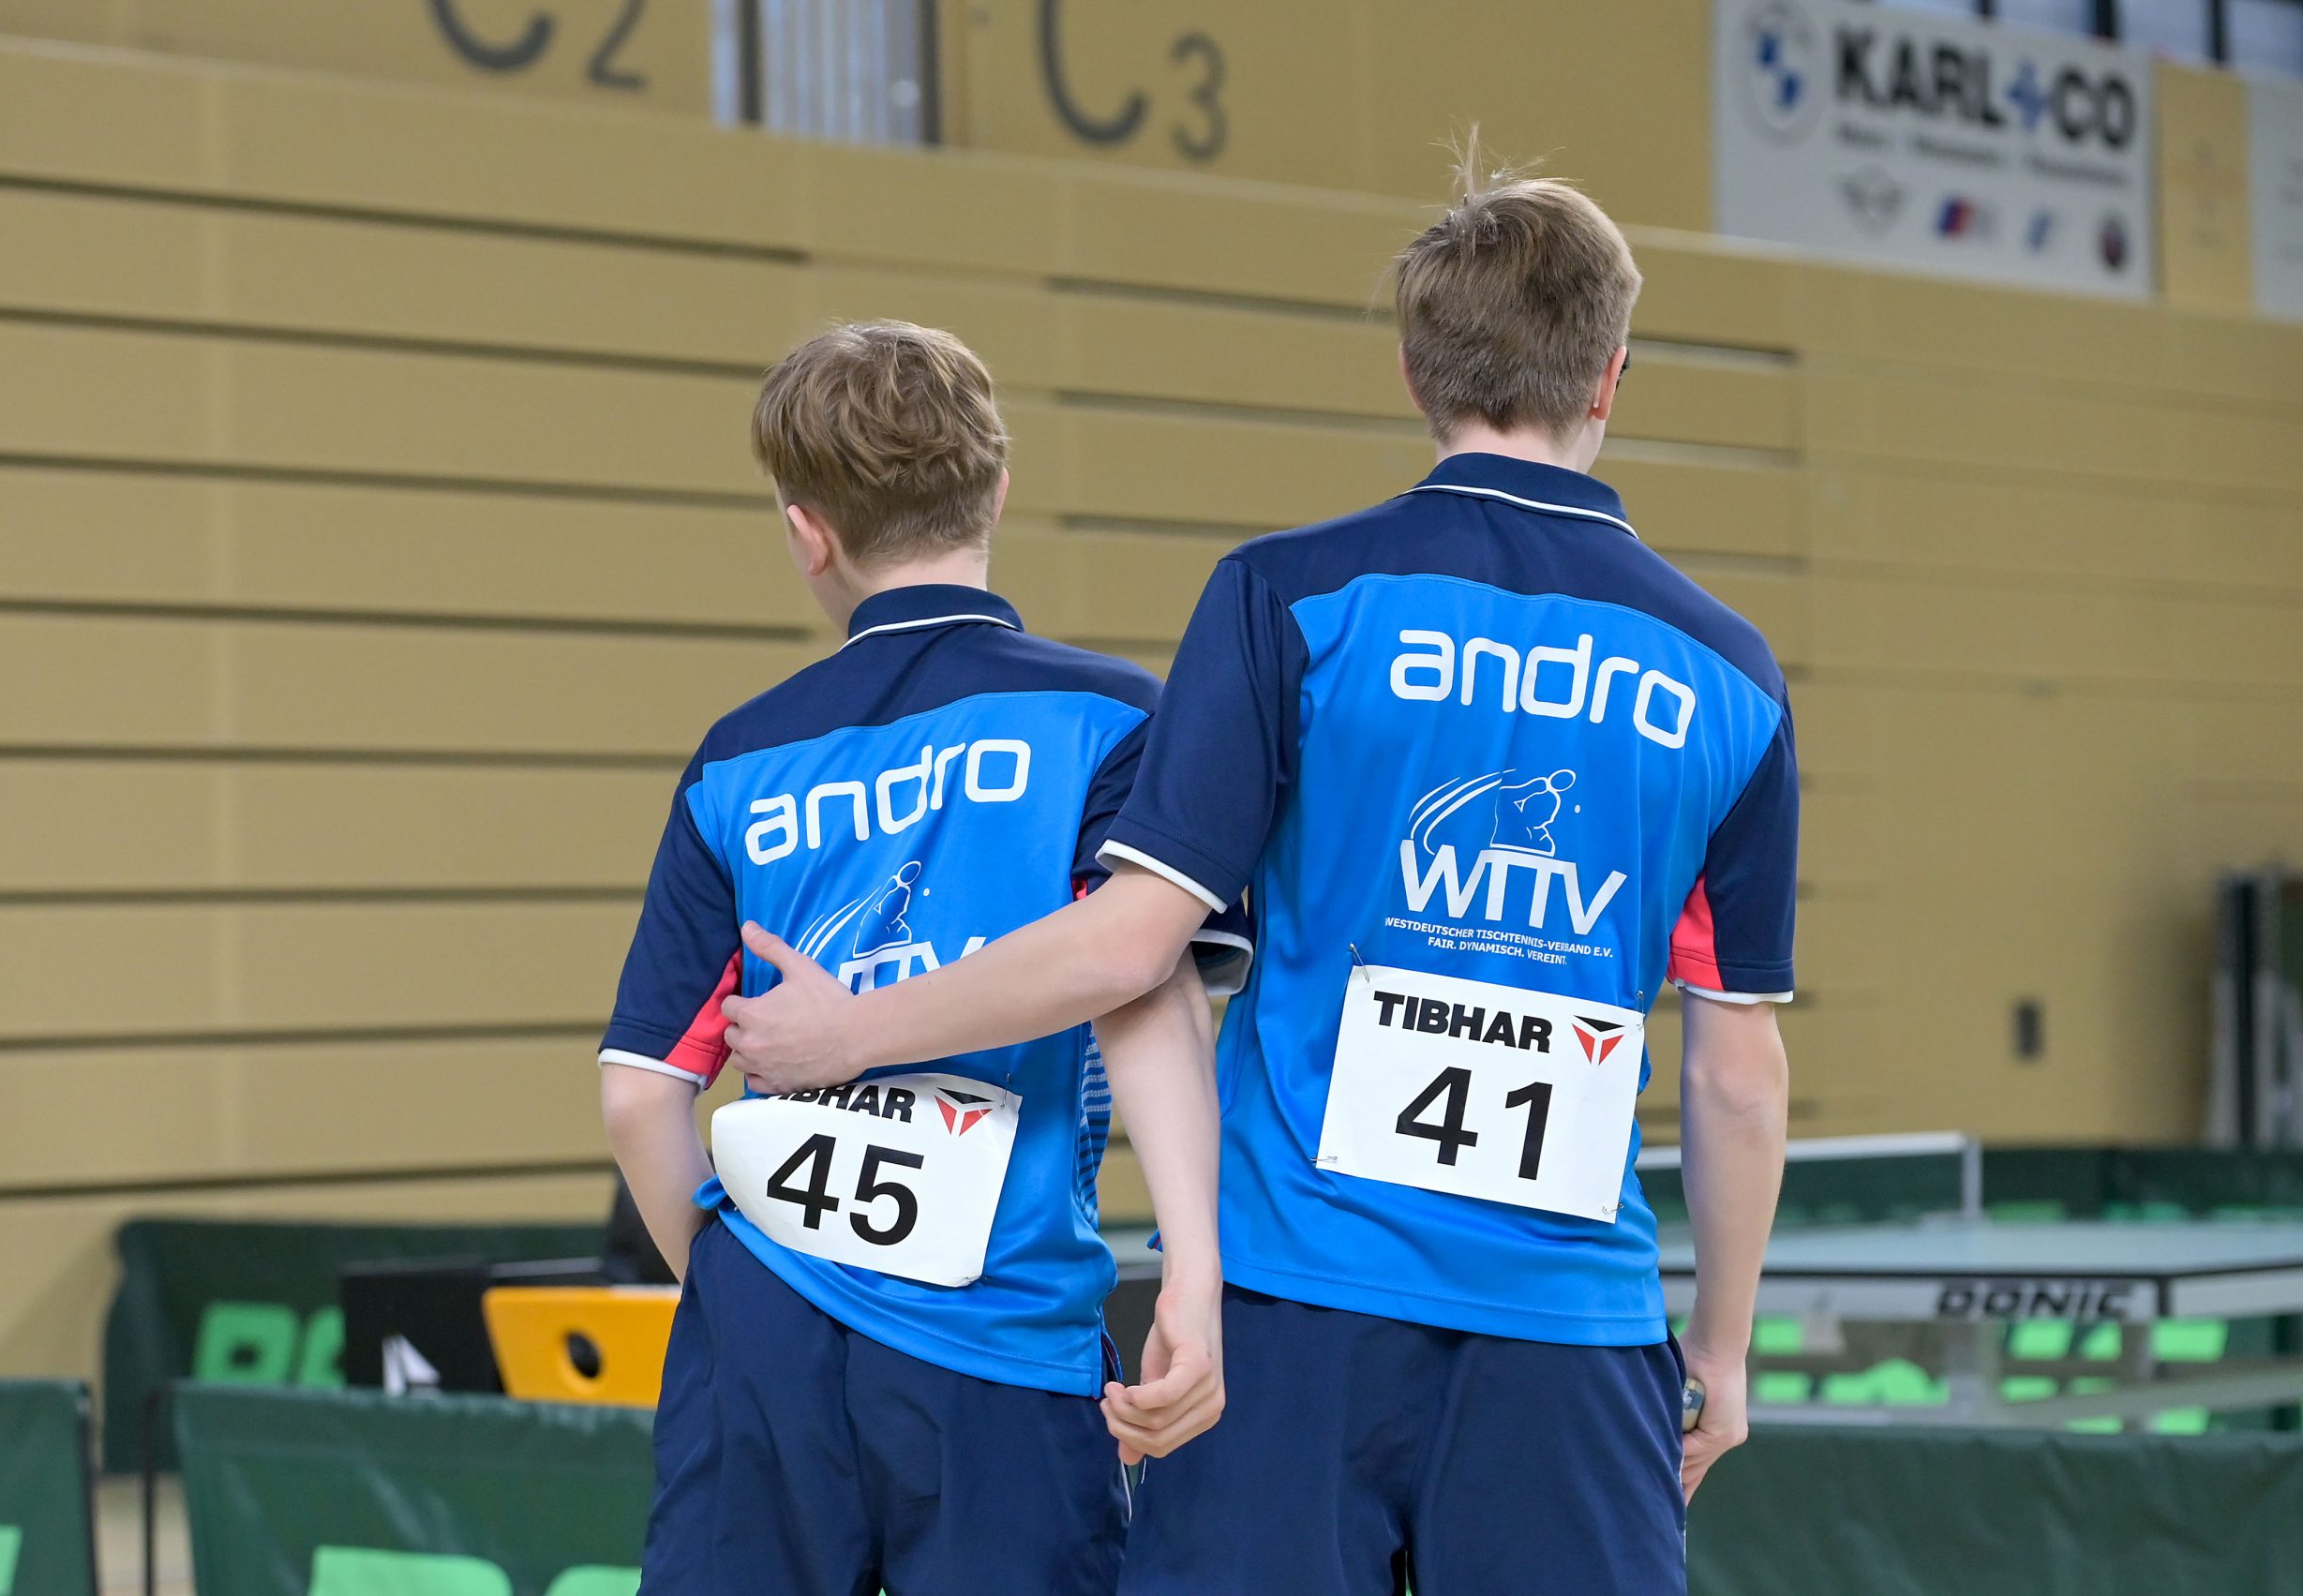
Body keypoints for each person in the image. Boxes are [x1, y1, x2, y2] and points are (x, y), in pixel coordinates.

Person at [722, 170, 1796, 1593]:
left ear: (1415, 371)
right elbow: (1736, 1071)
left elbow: (1131, 945)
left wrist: (846, 1032)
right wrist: (1721, 1345)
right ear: (1610, 376)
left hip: (1294, 1306)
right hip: (1570, 1331)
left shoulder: (1286, 600)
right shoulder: (1730, 677)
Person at [598, 321, 1242, 1596]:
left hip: (766, 1336)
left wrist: (744, 1291)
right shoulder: (1107, 718)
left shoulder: (738, 760)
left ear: (808, 534)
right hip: (1000, 1338)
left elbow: (637, 1094)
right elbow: (1143, 984)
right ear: (995, 490)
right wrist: (1195, 1267)